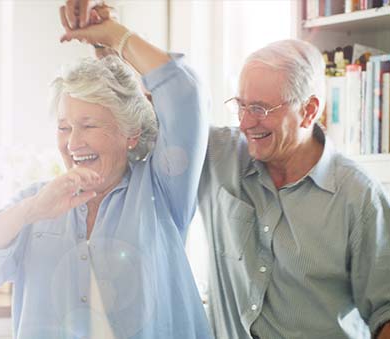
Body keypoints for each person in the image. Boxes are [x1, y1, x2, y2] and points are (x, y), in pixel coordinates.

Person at [60, 1, 390, 338]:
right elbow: (144, 117)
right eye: (241, 105)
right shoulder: (221, 154)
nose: (246, 123)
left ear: (309, 111)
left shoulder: (359, 197)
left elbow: (386, 312)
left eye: (260, 109)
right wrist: (108, 42)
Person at [0, 27, 213, 338]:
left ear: (130, 134)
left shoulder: (161, 191)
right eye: (64, 127)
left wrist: (114, 34)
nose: (73, 143)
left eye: (88, 125)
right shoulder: (36, 203)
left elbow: (184, 93)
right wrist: (30, 211)